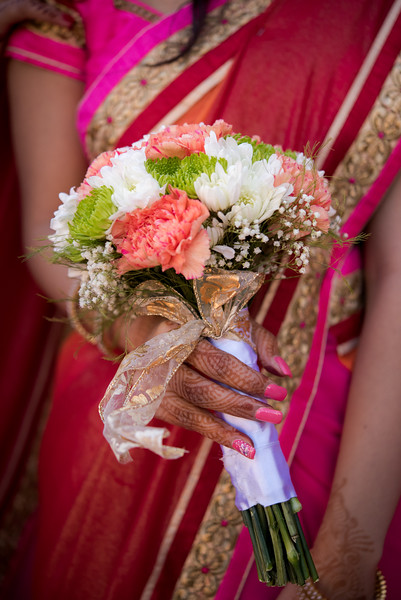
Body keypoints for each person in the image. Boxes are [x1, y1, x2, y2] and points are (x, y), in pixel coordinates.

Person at [2, 0, 401, 599]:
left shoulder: (379, 20)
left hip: (323, 412)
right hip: (124, 410)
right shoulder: (65, 12)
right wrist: (138, 333)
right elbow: (47, 233)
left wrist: (348, 550)